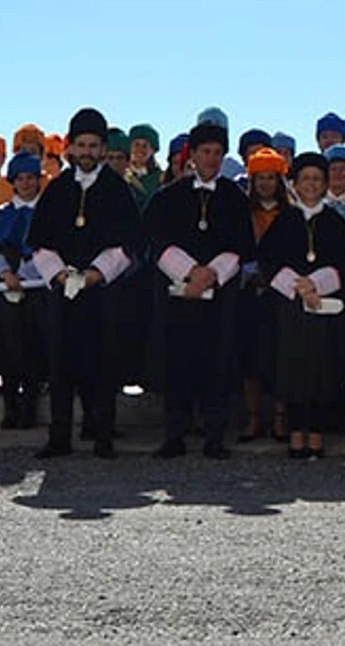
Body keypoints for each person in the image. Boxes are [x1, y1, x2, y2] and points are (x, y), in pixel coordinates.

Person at [28, 108, 143, 459]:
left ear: (103, 149)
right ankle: (59, 436)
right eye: (82, 145)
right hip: (63, 290)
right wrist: (60, 274)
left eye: (94, 146)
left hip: (103, 290)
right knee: (61, 362)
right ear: (70, 148)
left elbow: (128, 245)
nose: (88, 152)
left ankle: (103, 434)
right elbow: (40, 243)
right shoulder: (57, 190)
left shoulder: (117, 190)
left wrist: (95, 274)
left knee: (104, 362)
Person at [144, 117, 252, 460]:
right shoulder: (167, 197)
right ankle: (174, 433)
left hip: (220, 296)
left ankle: (215, 435)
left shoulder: (235, 197)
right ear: (192, 156)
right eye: (206, 152)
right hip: (178, 294)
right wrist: (189, 272)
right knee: (177, 361)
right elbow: (155, 242)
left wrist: (211, 275)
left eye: (218, 153)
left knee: (217, 362)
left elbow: (242, 245)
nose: (211, 159)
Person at [263, 151, 345, 459]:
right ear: (293, 184)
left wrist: (317, 283)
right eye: (305, 178)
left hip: (325, 307)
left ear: (325, 183)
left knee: (322, 370)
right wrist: (299, 287)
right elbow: (267, 260)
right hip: (290, 308)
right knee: (292, 370)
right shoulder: (284, 220)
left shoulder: (335, 222)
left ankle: (316, 433)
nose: (311, 184)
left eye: (317, 179)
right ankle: (295, 433)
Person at [0, 152, 49, 430]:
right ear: (12, 181)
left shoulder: (49, 215)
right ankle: (10, 406)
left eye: (31, 178)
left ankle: (30, 405)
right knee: (7, 346)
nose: (26, 183)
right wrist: (5, 273)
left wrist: (28, 273)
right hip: (5, 286)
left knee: (34, 346)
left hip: (38, 287)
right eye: (20, 178)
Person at [239, 148, 296, 445]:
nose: (264, 184)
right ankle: (251, 417)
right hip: (247, 292)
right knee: (249, 356)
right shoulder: (241, 213)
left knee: (279, 355)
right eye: (259, 178)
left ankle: (279, 416)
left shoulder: (291, 215)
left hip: (281, 292)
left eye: (270, 178)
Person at [128, 123, 164, 206]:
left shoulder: (161, 178)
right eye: (136, 144)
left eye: (145, 146)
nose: (140, 149)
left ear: (152, 151)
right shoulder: (121, 174)